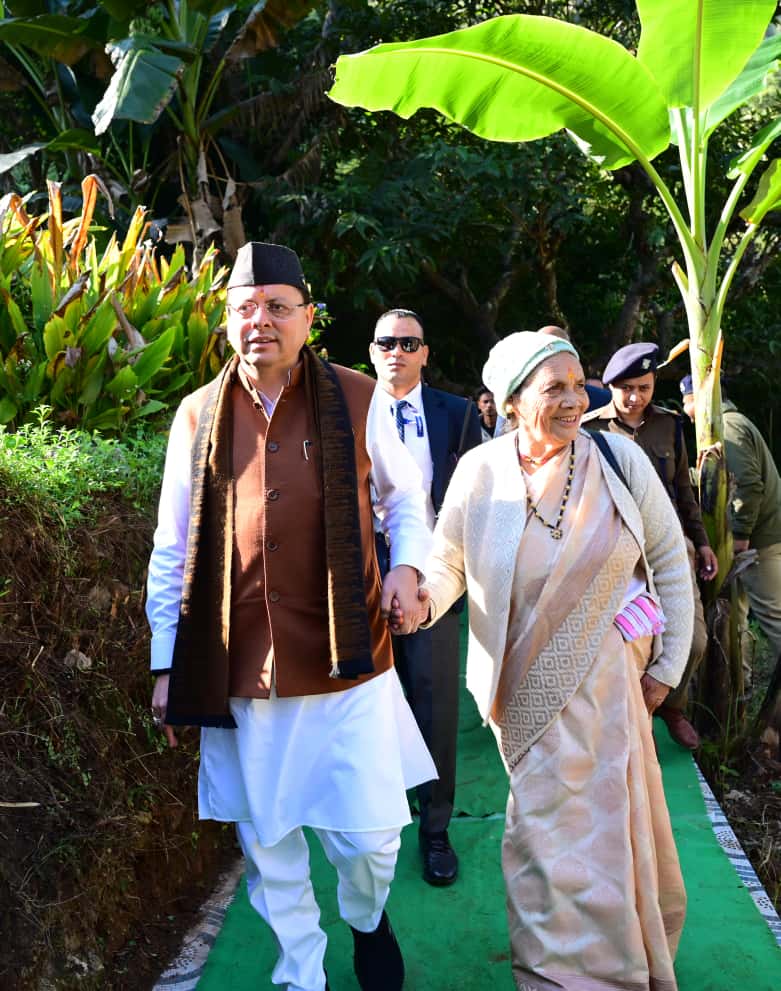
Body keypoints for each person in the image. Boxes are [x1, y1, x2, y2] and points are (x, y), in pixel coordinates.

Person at [146, 242, 437, 991]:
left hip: (348, 660)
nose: (260, 321)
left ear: (308, 317)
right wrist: (165, 658)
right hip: (237, 666)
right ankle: (300, 972)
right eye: (245, 307)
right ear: (226, 319)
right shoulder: (196, 414)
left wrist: (407, 566)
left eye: (278, 306)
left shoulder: (359, 396)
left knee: (370, 839)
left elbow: (405, 500)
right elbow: (173, 543)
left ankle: (366, 917)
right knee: (268, 844)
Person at [404, 331, 691, 991]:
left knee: (614, 838)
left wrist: (666, 668)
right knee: (543, 842)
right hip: (526, 699)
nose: (572, 399)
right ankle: (555, 976)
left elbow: (669, 560)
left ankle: (622, 970)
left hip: (617, 692)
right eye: (552, 388)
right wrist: (419, 602)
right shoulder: (480, 474)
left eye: (575, 383)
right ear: (509, 403)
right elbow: (446, 563)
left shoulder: (617, 458)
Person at [369, 308, 482, 886]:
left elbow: (478, 500)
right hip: (362, 574)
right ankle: (373, 823)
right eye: (386, 341)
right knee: (368, 700)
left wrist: (436, 577)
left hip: (436, 575)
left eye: (408, 342)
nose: (397, 351)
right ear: (372, 351)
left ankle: (435, 831)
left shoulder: (458, 416)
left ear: (425, 353)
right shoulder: (348, 410)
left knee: (434, 703)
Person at [583, 342, 718, 750]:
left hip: (671, 549)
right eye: (625, 388)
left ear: (653, 384)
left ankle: (669, 705)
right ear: (610, 387)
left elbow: (683, 491)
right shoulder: (588, 429)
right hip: (613, 553)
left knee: (692, 640)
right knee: (619, 644)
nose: (634, 397)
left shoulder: (670, 426)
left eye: (642, 387)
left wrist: (703, 543)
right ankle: (622, 721)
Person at [681, 375, 781, 663]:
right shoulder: (730, 424)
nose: (686, 413)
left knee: (774, 621)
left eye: (687, 403)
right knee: (737, 622)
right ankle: (742, 694)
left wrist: (739, 536)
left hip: (758, 543)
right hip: (756, 539)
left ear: (698, 399)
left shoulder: (730, 426)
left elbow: (747, 486)